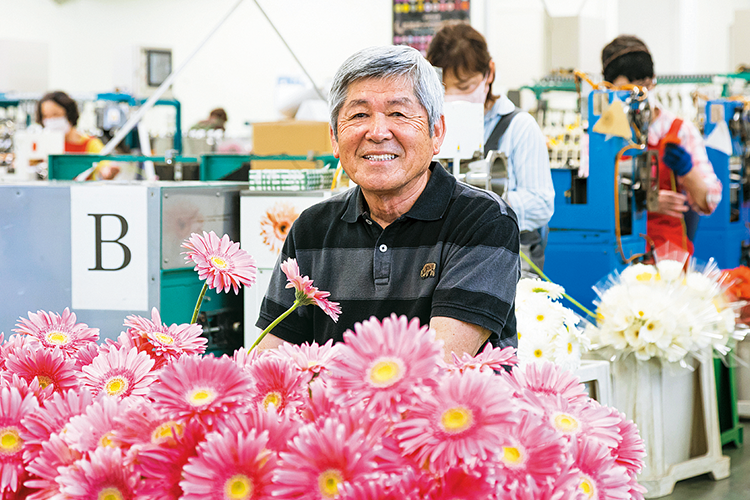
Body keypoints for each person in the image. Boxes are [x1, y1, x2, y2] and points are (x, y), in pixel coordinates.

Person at [255, 45, 520, 359]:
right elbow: (270, 364)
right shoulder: (312, 229)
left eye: (398, 113)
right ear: (334, 139)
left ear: (437, 132)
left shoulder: (482, 221)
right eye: (359, 115)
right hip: (331, 407)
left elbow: (438, 363)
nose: (378, 132)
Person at [426, 22, 554, 276]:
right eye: (443, 90)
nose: (454, 98)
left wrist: (483, 202)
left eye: (464, 88)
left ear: (489, 74)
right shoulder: (429, 127)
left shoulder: (518, 127)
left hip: (508, 263)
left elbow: (541, 204)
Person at [601, 35, 722, 254]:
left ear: (652, 81)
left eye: (644, 84)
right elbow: (593, 196)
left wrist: (688, 171)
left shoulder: (679, 131)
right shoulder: (600, 134)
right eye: (625, 90)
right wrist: (645, 200)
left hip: (668, 258)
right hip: (614, 250)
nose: (637, 95)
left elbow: (709, 202)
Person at [36, 91, 119, 180]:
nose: (50, 120)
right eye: (45, 116)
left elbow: (105, 166)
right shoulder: (43, 144)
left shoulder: (90, 144)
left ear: (69, 114)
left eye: (55, 114)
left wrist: (107, 171)